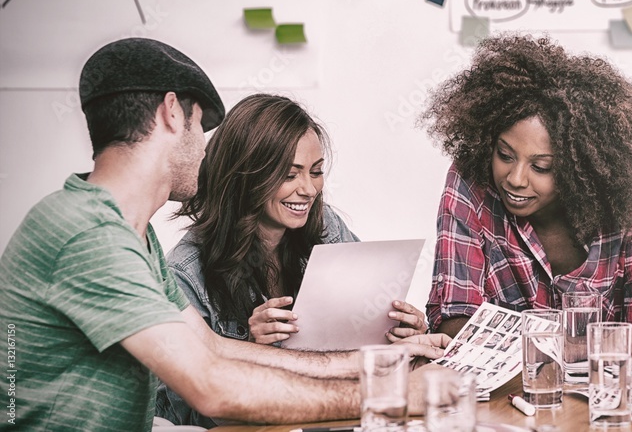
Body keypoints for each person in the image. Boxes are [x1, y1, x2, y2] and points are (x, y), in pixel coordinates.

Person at [0, 38, 447, 431]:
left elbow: (213, 348)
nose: (206, 150)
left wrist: (381, 362)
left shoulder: (129, 233)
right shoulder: (87, 234)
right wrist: (396, 395)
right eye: (200, 127)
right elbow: (210, 387)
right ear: (172, 113)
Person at [155, 94, 430, 427]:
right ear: (246, 176)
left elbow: (362, 334)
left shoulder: (325, 226)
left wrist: (397, 326)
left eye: (316, 172)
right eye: (289, 175)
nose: (309, 189)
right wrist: (252, 348)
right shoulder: (186, 272)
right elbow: (194, 412)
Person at [421, 34, 632, 363]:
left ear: (580, 168)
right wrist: (591, 346)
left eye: (541, 167)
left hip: (604, 405)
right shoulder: (471, 186)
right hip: (509, 403)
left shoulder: (627, 212)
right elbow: (454, 324)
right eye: (505, 155)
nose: (515, 179)